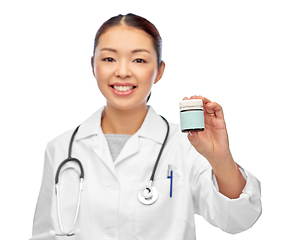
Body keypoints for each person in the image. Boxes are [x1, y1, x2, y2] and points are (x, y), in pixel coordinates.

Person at [30, 13, 262, 240]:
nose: (122, 71)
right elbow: (43, 234)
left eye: (138, 59)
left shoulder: (187, 146)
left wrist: (220, 158)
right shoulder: (60, 149)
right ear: (93, 66)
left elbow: (238, 219)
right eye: (109, 59)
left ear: (159, 70)